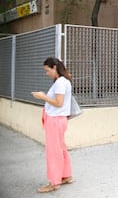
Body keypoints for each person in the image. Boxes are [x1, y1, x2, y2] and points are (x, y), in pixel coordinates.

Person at [32, 57, 73, 193]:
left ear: (55, 67)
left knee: (53, 152)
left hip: (55, 120)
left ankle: (54, 182)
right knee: (60, 148)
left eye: (47, 70)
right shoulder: (63, 81)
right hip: (59, 120)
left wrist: (42, 96)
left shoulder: (60, 82)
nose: (46, 73)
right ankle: (66, 175)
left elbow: (58, 103)